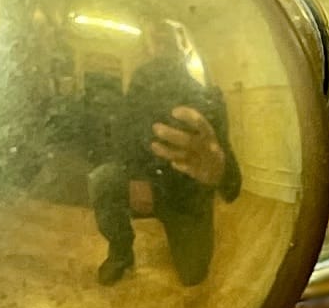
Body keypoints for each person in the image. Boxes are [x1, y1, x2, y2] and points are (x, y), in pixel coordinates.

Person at [87, 27, 241, 286]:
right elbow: (122, 134)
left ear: (184, 49)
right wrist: (136, 177)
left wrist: (220, 170)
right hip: (144, 183)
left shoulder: (205, 97)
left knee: (194, 276)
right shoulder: (138, 89)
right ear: (148, 50)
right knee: (103, 179)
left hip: (186, 198)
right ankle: (121, 252)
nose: (161, 50)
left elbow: (233, 185)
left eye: (168, 42)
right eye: (156, 43)